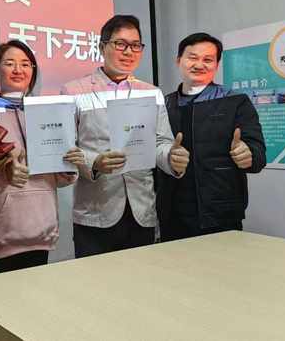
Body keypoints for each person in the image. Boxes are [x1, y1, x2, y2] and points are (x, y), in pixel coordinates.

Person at [61, 15, 189, 258]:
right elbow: (67, 148)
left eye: (135, 45)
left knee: (141, 279)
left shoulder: (151, 92)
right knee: (96, 280)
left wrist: (171, 157)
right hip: (95, 212)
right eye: (120, 44)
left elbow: (160, 142)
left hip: (141, 210)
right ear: (102, 47)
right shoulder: (74, 91)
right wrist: (94, 163)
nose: (129, 51)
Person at [0, 40, 84, 276]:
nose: (18, 70)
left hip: (40, 230)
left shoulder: (47, 112)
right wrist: (3, 172)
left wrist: (68, 165)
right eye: (9, 63)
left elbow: (58, 178)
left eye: (25, 64)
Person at [157, 32, 266, 241]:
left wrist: (248, 154)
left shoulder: (235, 101)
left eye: (208, 60)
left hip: (221, 214)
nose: (199, 64)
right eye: (193, 57)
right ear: (179, 60)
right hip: (171, 214)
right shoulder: (163, 104)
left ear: (216, 65)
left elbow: (258, 154)